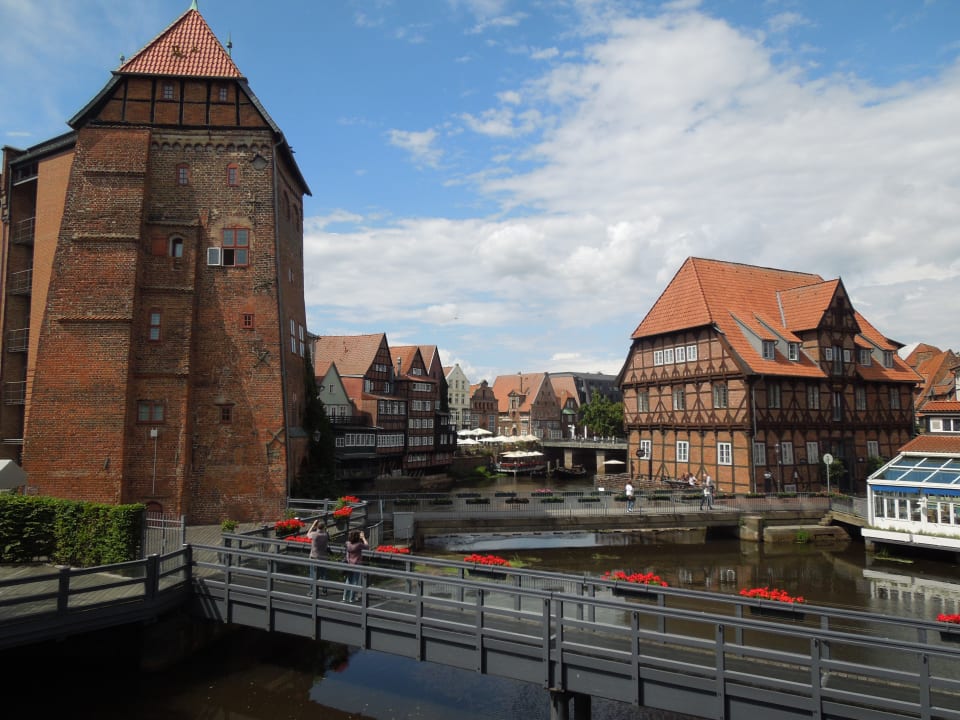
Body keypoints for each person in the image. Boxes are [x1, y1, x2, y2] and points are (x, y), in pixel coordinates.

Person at [342, 529, 369, 603]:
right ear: (357, 537)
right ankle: (352, 598)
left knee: (348, 580)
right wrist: (363, 537)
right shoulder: (359, 545)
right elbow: (367, 546)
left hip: (349, 564)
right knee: (355, 581)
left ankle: (345, 597)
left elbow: (346, 544)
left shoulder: (347, 543)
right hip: (357, 564)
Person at [306, 519, 330, 596]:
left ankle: (312, 591)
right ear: (323, 527)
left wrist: (313, 525)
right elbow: (325, 531)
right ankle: (324, 590)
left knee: (313, 575)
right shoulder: (326, 535)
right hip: (324, 557)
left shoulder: (314, 534)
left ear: (317, 527)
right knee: (323, 574)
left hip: (314, 557)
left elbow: (307, 534)